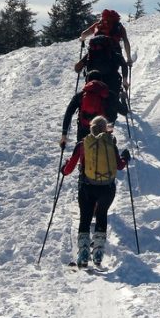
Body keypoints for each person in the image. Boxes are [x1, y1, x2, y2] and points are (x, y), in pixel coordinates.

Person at [61, 116, 131, 267]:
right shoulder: (110, 143)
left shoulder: (82, 144)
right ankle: (98, 252)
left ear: (91, 127)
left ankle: (84, 253)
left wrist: (63, 169)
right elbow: (119, 165)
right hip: (107, 188)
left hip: (87, 187)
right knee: (101, 214)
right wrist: (126, 157)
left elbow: (69, 169)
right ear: (106, 129)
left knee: (85, 217)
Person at [61, 70, 129, 147]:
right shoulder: (109, 94)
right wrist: (123, 99)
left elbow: (68, 113)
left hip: (83, 132)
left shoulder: (80, 95)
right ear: (101, 81)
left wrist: (64, 134)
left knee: (83, 154)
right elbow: (124, 111)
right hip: (103, 132)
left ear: (87, 81)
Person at [74, 34, 129, 104]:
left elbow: (77, 69)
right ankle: (122, 98)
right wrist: (124, 80)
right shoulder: (114, 54)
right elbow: (124, 65)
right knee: (113, 103)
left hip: (93, 84)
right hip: (112, 83)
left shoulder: (90, 55)